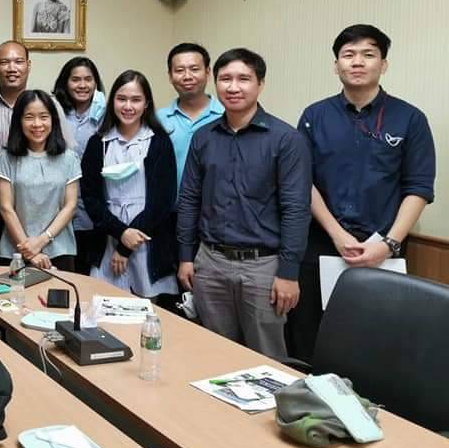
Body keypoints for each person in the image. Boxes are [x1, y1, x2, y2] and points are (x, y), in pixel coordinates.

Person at [287, 25, 435, 362]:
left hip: (383, 246)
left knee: (376, 340)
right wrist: (337, 234)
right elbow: (301, 181)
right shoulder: (314, 116)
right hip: (320, 244)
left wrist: (389, 244)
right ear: (336, 65)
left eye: (368, 54)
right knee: (311, 337)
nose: (357, 62)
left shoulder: (410, 119)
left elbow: (419, 187)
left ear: (384, 64)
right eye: (348, 55)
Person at [176, 48, 311, 358]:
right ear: (215, 83)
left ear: (260, 84)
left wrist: (288, 273)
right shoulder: (203, 137)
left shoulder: (286, 139)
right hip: (210, 263)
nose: (233, 87)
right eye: (225, 79)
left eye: (243, 79)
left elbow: (296, 209)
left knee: (266, 358)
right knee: (214, 354)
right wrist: (186, 256)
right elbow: (190, 199)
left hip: (264, 266)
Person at [0, 41, 74, 264]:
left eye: (18, 61)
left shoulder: (51, 106)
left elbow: (66, 154)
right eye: (5, 62)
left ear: (28, 65)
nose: (12, 68)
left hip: (47, 211)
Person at [81, 71, 178, 299]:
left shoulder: (159, 142)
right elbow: (90, 197)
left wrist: (126, 246)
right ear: (112, 101)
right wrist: (121, 233)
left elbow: (163, 201)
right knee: (104, 305)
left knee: (148, 309)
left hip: (148, 236)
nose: (128, 106)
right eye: (121, 99)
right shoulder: (97, 143)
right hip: (107, 234)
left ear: (147, 104)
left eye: (136, 100)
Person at [0, 90, 81, 271]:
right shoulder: (7, 157)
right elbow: (6, 207)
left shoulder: (69, 158)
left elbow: (70, 206)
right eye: (29, 117)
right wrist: (30, 251)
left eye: (44, 117)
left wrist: (42, 240)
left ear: (53, 120)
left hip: (59, 250)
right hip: (16, 251)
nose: (37, 124)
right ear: (19, 121)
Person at [53, 57, 107, 274]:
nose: (82, 85)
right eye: (75, 80)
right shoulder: (55, 111)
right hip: (58, 204)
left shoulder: (105, 114)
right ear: (65, 83)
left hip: (92, 205)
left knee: (87, 271)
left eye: (88, 79)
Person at [156, 43, 225, 190]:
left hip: (214, 204)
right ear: (170, 76)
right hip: (170, 204)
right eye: (179, 70)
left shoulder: (226, 116)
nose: (187, 76)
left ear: (207, 73)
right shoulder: (158, 119)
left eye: (194, 69)